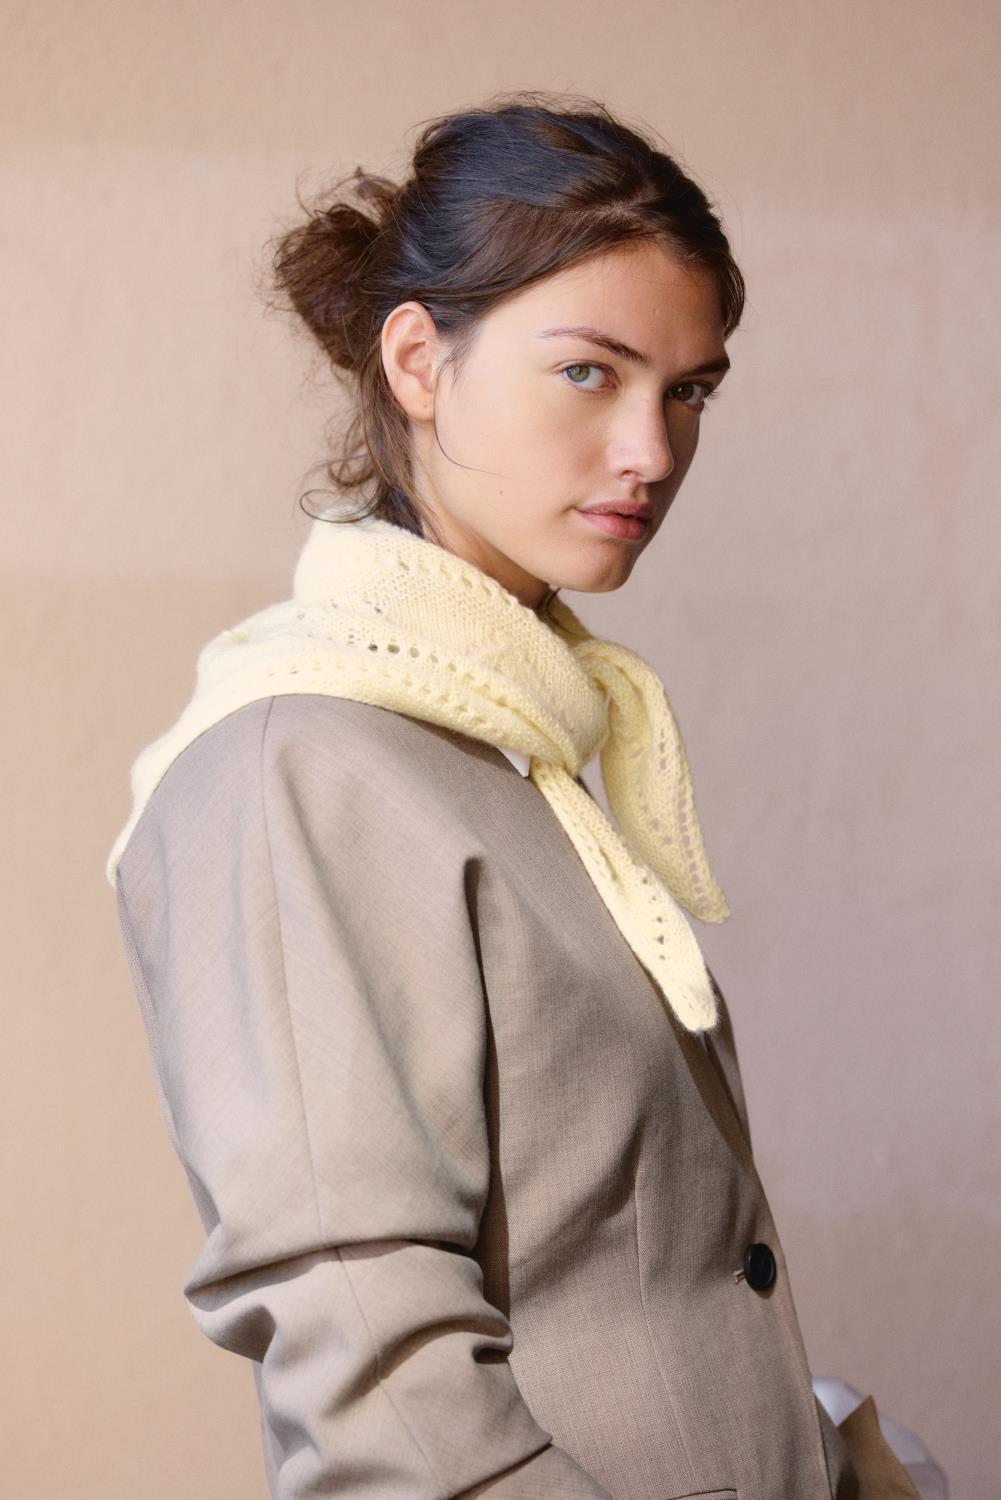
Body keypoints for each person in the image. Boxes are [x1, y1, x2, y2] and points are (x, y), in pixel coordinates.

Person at [106, 91, 924, 1498]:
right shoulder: (296, 762)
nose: (651, 451)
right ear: (419, 360)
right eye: (590, 372)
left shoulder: (516, 743)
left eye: (688, 391)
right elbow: (377, 1384)